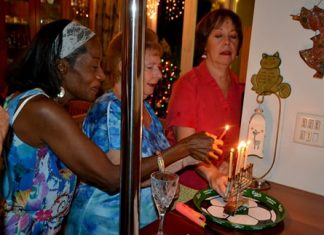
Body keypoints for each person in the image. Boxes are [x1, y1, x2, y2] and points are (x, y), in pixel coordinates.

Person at [2, 20, 221, 234]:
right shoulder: (43, 110)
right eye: (93, 66)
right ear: (62, 67)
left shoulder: (42, 105)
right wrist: (183, 148)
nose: (101, 75)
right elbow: (112, 178)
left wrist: (192, 157)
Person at [65, 29, 224, 235]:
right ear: (125, 68)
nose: (159, 74)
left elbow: (161, 165)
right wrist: (185, 155)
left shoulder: (145, 108)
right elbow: (124, 176)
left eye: (157, 66)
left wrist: (200, 164)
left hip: (143, 223)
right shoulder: (110, 110)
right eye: (150, 67)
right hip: (104, 224)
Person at [166, 8, 245, 195]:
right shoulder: (187, 85)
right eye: (218, 36)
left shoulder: (240, 88)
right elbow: (186, 146)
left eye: (233, 37)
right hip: (186, 189)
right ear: (205, 43)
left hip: (225, 185)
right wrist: (212, 173)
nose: (227, 42)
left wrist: (228, 163)